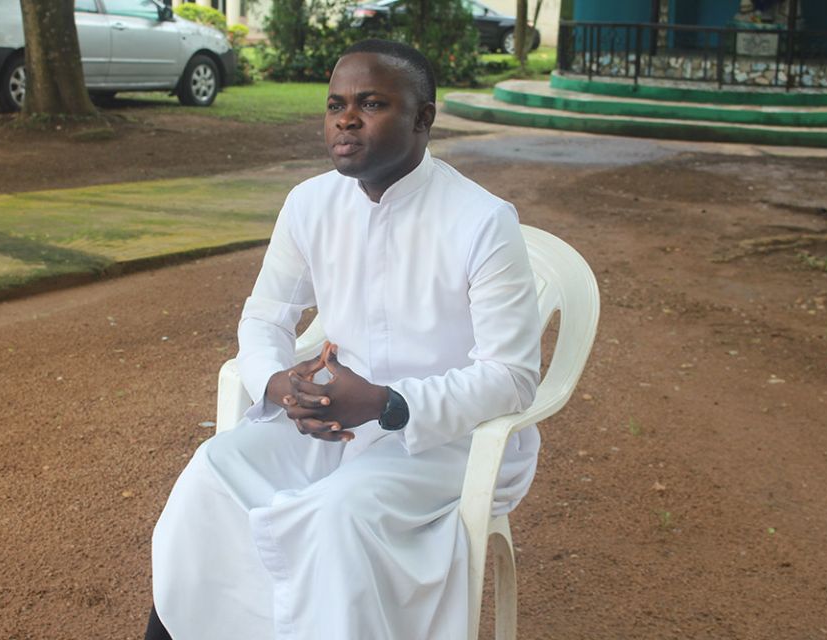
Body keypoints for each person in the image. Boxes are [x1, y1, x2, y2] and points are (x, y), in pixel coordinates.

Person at [146, 38, 543, 640]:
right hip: (334, 420)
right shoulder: (309, 203)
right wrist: (278, 384)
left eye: (372, 104)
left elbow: (511, 376)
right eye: (335, 105)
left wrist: (388, 404)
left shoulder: (483, 222)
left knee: (335, 515)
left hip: (445, 440)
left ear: (423, 118)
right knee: (213, 472)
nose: (346, 120)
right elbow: (264, 318)